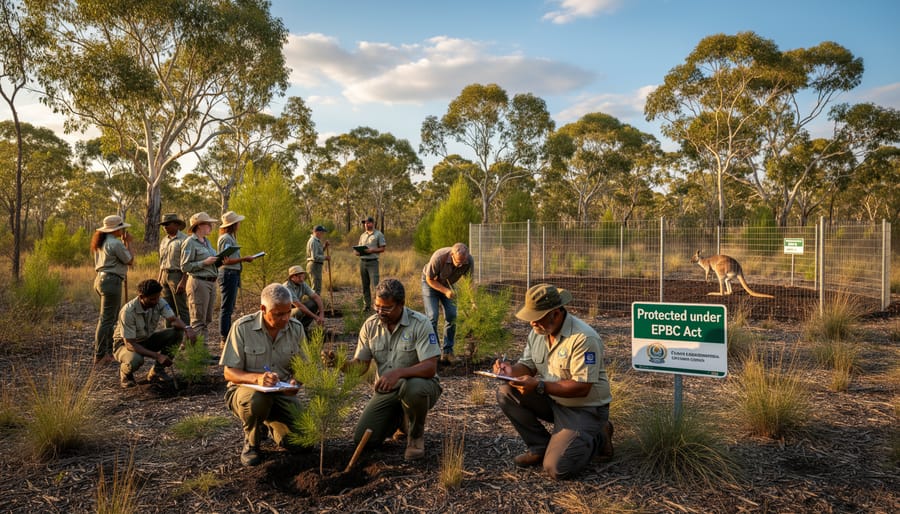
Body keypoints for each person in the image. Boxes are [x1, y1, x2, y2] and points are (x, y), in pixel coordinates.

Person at [492, 283, 613, 479]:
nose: (532, 323)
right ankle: (539, 446)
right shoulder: (539, 331)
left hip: (584, 408)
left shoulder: (583, 338)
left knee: (557, 468)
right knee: (506, 391)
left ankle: (599, 435)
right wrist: (510, 371)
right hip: (554, 399)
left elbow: (582, 388)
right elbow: (528, 364)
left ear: (555, 314)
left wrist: (539, 386)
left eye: (536, 318)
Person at [342, 278, 441, 461]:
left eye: (386, 308)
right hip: (388, 391)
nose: (381, 312)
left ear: (401, 304)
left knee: (413, 388)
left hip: (422, 386)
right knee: (364, 440)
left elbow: (430, 367)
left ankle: (416, 437)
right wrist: (341, 364)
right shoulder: (370, 326)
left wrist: (398, 373)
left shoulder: (420, 323)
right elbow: (361, 366)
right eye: (377, 306)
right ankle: (401, 420)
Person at [219, 283, 307, 467]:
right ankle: (252, 442)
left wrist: (295, 382)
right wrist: (257, 378)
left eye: (288, 312)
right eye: (278, 314)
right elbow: (229, 372)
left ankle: (270, 424)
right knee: (257, 401)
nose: (285, 318)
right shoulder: (242, 327)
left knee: (303, 443)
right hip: (246, 392)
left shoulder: (296, 328)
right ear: (263, 309)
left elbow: (304, 367)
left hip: (281, 393)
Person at [113, 279, 196, 388]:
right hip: (125, 345)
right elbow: (130, 344)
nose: (156, 301)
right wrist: (158, 356)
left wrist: (187, 328)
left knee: (177, 333)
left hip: (146, 339)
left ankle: (157, 371)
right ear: (141, 297)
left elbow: (173, 319)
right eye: (152, 299)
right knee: (136, 360)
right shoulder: (128, 311)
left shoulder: (158, 301)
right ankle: (126, 374)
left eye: (157, 297)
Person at [90, 215, 134, 366]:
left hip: (101, 280)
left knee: (109, 318)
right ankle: (100, 354)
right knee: (107, 320)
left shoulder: (102, 243)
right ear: (116, 229)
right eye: (121, 228)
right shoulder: (115, 243)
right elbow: (130, 260)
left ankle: (107, 353)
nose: (123, 230)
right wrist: (128, 243)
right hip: (111, 281)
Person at [421, 243, 474, 364]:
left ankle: (448, 351)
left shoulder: (469, 260)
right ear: (452, 255)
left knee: (452, 316)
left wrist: (473, 302)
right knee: (432, 317)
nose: (460, 265)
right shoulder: (439, 257)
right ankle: (434, 353)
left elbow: (469, 283)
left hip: (448, 285)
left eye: (463, 262)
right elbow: (429, 279)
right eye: (458, 262)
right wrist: (445, 291)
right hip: (430, 283)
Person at [217, 211, 258, 345]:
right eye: (238, 222)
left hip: (232, 274)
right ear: (233, 224)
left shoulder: (230, 237)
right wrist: (244, 259)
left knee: (230, 306)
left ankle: (227, 335)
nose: (239, 224)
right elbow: (226, 260)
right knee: (227, 307)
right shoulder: (226, 239)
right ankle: (225, 337)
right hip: (228, 274)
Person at [180, 212, 220, 343]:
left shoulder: (207, 242)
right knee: (198, 319)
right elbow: (185, 266)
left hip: (210, 282)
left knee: (206, 319)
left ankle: (203, 350)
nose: (210, 226)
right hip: (199, 282)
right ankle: (197, 354)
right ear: (199, 226)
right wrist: (204, 262)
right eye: (208, 224)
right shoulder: (190, 242)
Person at [157, 213, 190, 326]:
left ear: (176, 225)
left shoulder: (184, 240)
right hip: (164, 276)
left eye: (167, 224)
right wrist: (159, 280)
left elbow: (187, 262)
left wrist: (183, 280)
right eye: (163, 225)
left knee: (182, 308)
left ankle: (187, 337)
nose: (165, 227)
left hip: (177, 276)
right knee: (168, 309)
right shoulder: (164, 241)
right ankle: (169, 336)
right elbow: (162, 262)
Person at [354, 216, 386, 311]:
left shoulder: (378, 234)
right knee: (365, 285)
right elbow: (359, 247)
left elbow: (382, 248)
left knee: (375, 285)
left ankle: (378, 305)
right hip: (363, 262)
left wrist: (372, 250)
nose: (366, 225)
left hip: (373, 262)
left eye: (368, 223)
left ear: (372, 223)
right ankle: (366, 306)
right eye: (365, 223)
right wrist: (357, 252)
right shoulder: (363, 235)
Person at [283, 266, 325, 333]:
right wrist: (316, 317)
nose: (302, 279)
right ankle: (293, 329)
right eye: (299, 277)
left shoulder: (302, 283)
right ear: (292, 277)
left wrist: (321, 314)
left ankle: (303, 327)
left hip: (295, 308)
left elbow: (316, 297)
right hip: (285, 313)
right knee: (299, 310)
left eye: (302, 277)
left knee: (314, 303)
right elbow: (299, 306)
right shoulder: (287, 287)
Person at [305, 225, 330, 295]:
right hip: (314, 265)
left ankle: (315, 304)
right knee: (315, 290)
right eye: (322, 232)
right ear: (317, 232)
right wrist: (325, 258)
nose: (323, 234)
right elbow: (315, 257)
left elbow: (319, 252)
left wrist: (325, 246)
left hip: (316, 266)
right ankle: (314, 305)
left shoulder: (316, 241)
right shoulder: (313, 241)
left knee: (316, 288)